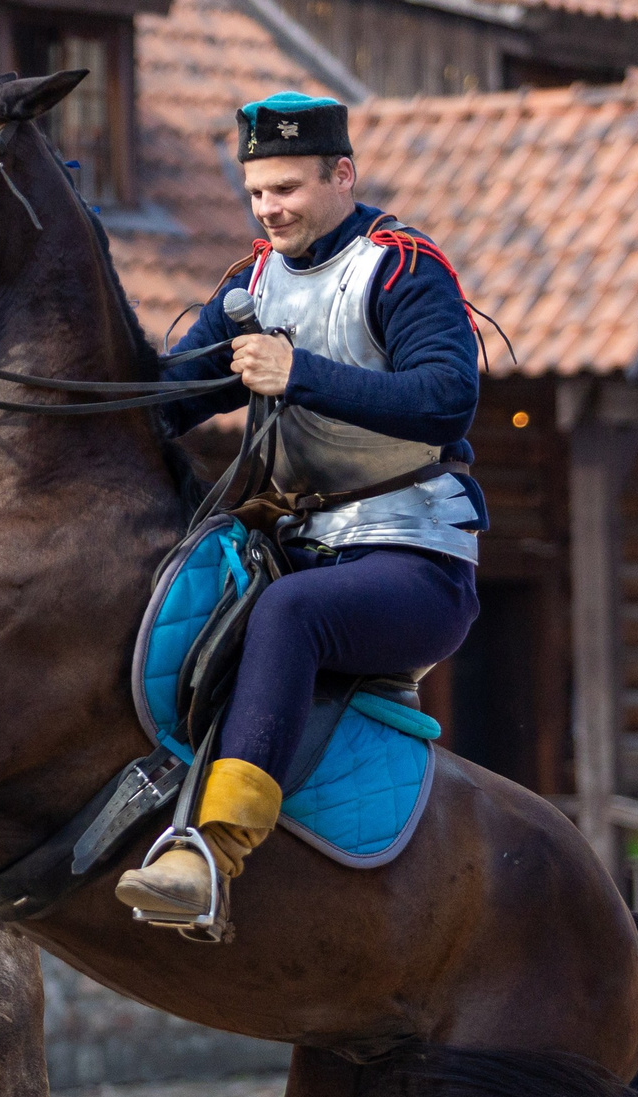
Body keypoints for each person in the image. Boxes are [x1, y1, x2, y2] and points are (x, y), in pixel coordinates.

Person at [113, 91, 488, 923]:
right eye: (255, 193)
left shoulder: (402, 266)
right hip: (301, 550)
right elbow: (171, 400)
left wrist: (301, 373)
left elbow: (447, 400)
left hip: (416, 561)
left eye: (285, 188)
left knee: (289, 614)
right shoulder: (251, 282)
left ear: (341, 174)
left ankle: (214, 851)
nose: (268, 209)